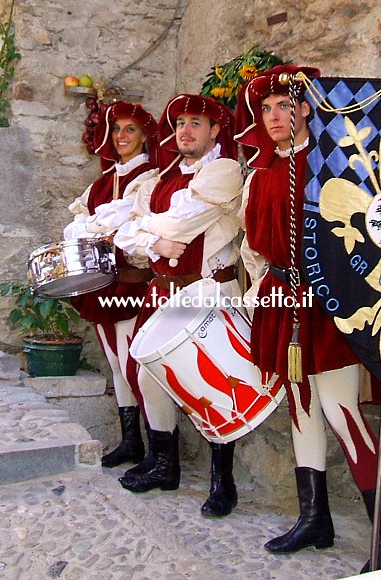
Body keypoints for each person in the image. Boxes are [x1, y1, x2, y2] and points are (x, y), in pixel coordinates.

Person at [234, 65, 381, 570]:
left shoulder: (335, 163)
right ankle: (316, 519)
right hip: (282, 298)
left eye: (284, 106)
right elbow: (254, 249)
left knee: (339, 408)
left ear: (307, 108)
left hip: (329, 301)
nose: (273, 117)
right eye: (265, 109)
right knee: (302, 407)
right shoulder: (261, 174)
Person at [114, 94, 244, 517]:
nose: (185, 130)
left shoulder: (223, 172)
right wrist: (153, 241)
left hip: (207, 289)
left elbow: (179, 223)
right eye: (180, 123)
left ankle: (222, 482)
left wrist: (150, 228)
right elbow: (123, 233)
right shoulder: (160, 176)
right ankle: (164, 463)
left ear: (215, 130)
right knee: (150, 375)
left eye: (196, 123)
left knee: (213, 381)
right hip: (163, 288)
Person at [63, 101, 159, 470]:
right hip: (102, 284)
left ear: (144, 135)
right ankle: (130, 441)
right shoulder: (101, 182)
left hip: (132, 283)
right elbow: (78, 225)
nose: (121, 136)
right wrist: (94, 228)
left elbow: (124, 224)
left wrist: (96, 228)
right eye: (117, 129)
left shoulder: (151, 176)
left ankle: (157, 449)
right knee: (117, 365)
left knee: (135, 364)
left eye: (130, 129)